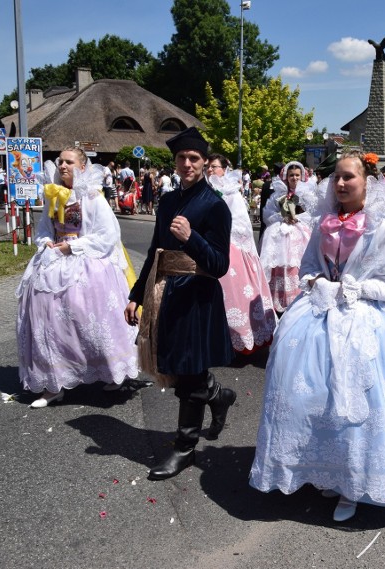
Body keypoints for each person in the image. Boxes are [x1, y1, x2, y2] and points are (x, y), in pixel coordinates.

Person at [249, 151, 385, 522]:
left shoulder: (382, 227)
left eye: (349, 178)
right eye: (336, 178)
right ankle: (326, 468)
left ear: (366, 183)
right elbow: (308, 265)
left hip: (368, 321)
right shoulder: (323, 222)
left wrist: (358, 287)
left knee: (359, 402)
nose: (340, 184)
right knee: (315, 396)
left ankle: (354, 484)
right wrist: (318, 282)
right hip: (323, 315)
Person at [125, 128, 237, 481]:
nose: (187, 164)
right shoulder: (168, 201)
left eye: (194, 159)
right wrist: (136, 294)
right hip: (166, 292)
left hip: (197, 297)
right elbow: (155, 254)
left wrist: (192, 238)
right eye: (181, 158)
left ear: (204, 163)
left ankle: (184, 448)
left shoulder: (216, 206)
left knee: (188, 373)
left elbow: (220, 265)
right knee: (177, 368)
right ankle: (219, 395)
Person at [16, 147, 139, 408]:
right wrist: (47, 241)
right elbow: (44, 228)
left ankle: (112, 371)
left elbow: (108, 233)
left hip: (85, 262)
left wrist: (73, 246)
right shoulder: (53, 194)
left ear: (82, 167)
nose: (62, 166)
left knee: (90, 320)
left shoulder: (92, 196)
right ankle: (53, 382)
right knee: (46, 321)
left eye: (69, 162)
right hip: (52, 262)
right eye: (60, 161)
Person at [206, 154, 276, 354]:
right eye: (208, 167)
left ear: (224, 170)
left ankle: (236, 338)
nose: (210, 170)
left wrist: (218, 233)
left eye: (215, 167)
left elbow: (242, 226)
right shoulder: (204, 191)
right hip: (208, 247)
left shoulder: (231, 193)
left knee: (234, 294)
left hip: (230, 248)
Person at [259, 160, 319, 313]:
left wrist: (298, 218)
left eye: (297, 175)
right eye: (291, 175)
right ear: (286, 177)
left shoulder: (308, 195)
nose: (294, 178)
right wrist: (282, 217)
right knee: (281, 267)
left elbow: (315, 215)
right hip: (281, 236)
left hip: (301, 236)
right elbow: (268, 214)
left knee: (297, 266)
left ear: (302, 176)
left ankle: (298, 300)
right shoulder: (278, 194)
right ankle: (279, 301)